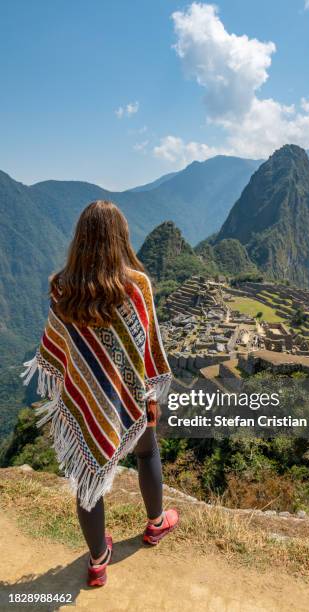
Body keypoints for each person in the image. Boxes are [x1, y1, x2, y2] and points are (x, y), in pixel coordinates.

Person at [21, 200, 179, 587]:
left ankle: (98, 560)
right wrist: (149, 396)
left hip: (87, 401)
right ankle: (156, 524)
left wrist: (77, 394)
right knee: (147, 451)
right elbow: (148, 350)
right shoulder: (136, 285)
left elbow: (59, 351)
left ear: (81, 239)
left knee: (87, 474)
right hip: (129, 396)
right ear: (119, 237)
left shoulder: (62, 288)